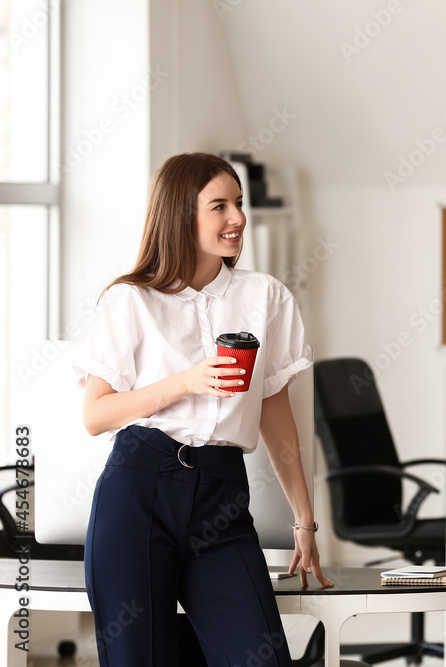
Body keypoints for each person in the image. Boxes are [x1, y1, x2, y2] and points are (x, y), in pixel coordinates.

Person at [76, 152, 333, 667]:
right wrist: (184, 382)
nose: (237, 218)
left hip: (221, 498)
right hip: (137, 493)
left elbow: (276, 416)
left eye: (238, 204)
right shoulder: (130, 301)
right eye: (219, 206)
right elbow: (96, 415)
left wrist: (304, 519)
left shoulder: (266, 298)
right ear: (179, 214)